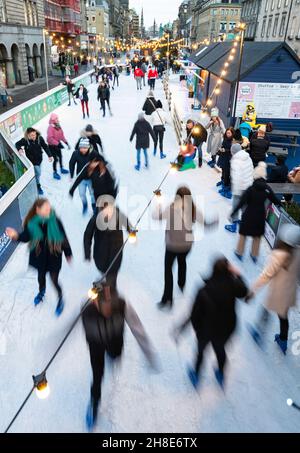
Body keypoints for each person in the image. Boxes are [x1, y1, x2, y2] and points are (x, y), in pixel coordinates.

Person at [82, 285, 158, 430]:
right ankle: (94, 403)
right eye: (104, 306)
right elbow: (84, 332)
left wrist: (148, 351)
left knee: (115, 355)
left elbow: (137, 328)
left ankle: (113, 355)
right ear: (95, 302)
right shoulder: (87, 311)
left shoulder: (121, 305)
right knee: (97, 375)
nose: (108, 310)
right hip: (96, 346)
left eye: (110, 305)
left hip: (115, 341)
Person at [173, 257, 248, 388]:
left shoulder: (204, 290)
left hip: (206, 330)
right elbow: (244, 292)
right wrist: (239, 275)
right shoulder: (233, 285)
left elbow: (194, 314)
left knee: (200, 351)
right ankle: (220, 373)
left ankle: (196, 375)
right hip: (225, 329)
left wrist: (187, 328)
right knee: (220, 350)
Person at [153, 186, 217, 309]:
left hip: (172, 245)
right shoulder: (193, 209)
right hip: (187, 245)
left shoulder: (171, 209)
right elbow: (206, 224)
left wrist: (158, 206)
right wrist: (213, 222)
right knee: (182, 261)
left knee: (168, 270)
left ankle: (167, 299)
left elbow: (156, 217)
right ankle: (181, 284)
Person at [6, 198, 72, 316]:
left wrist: (68, 253)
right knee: (41, 277)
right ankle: (41, 291)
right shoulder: (32, 223)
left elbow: (63, 238)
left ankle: (60, 298)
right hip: (40, 256)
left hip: (54, 256)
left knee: (54, 280)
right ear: (38, 210)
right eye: (46, 209)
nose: (49, 210)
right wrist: (16, 236)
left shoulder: (56, 221)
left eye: (49, 208)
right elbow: (25, 237)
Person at [248, 224, 300, 355]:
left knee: (266, 309)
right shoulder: (298, 253)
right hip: (290, 292)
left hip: (278, 291)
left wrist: (252, 290)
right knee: (283, 316)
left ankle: (258, 331)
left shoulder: (279, 255)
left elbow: (266, 275)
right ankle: (283, 341)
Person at [231, 162, 281, 263]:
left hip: (249, 214)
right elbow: (275, 200)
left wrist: (233, 212)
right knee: (257, 236)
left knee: (243, 234)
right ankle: (254, 255)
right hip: (260, 215)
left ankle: (239, 252)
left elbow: (241, 202)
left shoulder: (251, 189)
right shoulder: (267, 189)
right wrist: (280, 204)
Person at [84, 201, 132, 290]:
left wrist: (131, 230)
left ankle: (111, 291)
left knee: (112, 275)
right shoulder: (96, 219)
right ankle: (105, 284)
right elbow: (87, 235)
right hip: (100, 254)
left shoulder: (118, 214)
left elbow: (126, 222)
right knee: (104, 271)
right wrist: (87, 252)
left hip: (115, 252)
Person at [225, 144, 254, 233]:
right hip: (249, 187)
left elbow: (237, 177)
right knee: (245, 206)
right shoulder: (248, 158)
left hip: (240, 188)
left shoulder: (236, 160)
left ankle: (234, 225)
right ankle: (245, 223)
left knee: (236, 205)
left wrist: (236, 191)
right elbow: (252, 170)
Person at [16, 127, 53, 195]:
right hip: (32, 161)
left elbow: (45, 146)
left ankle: (34, 182)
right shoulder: (25, 140)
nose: (34, 137)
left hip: (39, 159)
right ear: (28, 135)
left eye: (34, 134)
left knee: (37, 174)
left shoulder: (39, 138)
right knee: (38, 173)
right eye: (31, 135)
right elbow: (17, 144)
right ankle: (38, 185)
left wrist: (49, 155)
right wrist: (20, 149)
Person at [69, 138, 99, 215]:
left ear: (88, 147)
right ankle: (85, 205)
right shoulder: (76, 153)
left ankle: (94, 207)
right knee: (82, 194)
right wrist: (71, 175)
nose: (83, 150)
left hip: (91, 179)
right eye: (81, 148)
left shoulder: (94, 153)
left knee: (93, 194)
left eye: (85, 148)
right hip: (81, 179)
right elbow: (71, 163)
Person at [47, 113, 70, 181]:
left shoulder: (58, 126)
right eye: (56, 118)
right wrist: (57, 143)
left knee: (60, 156)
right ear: (53, 119)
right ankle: (55, 172)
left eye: (57, 118)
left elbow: (61, 135)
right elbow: (49, 139)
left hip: (57, 144)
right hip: (52, 146)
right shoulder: (50, 127)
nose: (57, 119)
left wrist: (66, 142)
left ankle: (61, 168)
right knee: (55, 159)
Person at [217, 127, 234, 199]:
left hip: (228, 158)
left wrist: (225, 150)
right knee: (223, 170)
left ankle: (226, 186)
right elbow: (223, 145)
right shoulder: (225, 138)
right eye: (227, 133)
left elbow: (232, 150)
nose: (228, 134)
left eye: (229, 133)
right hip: (223, 157)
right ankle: (223, 181)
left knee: (227, 173)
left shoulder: (233, 140)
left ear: (232, 133)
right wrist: (220, 149)